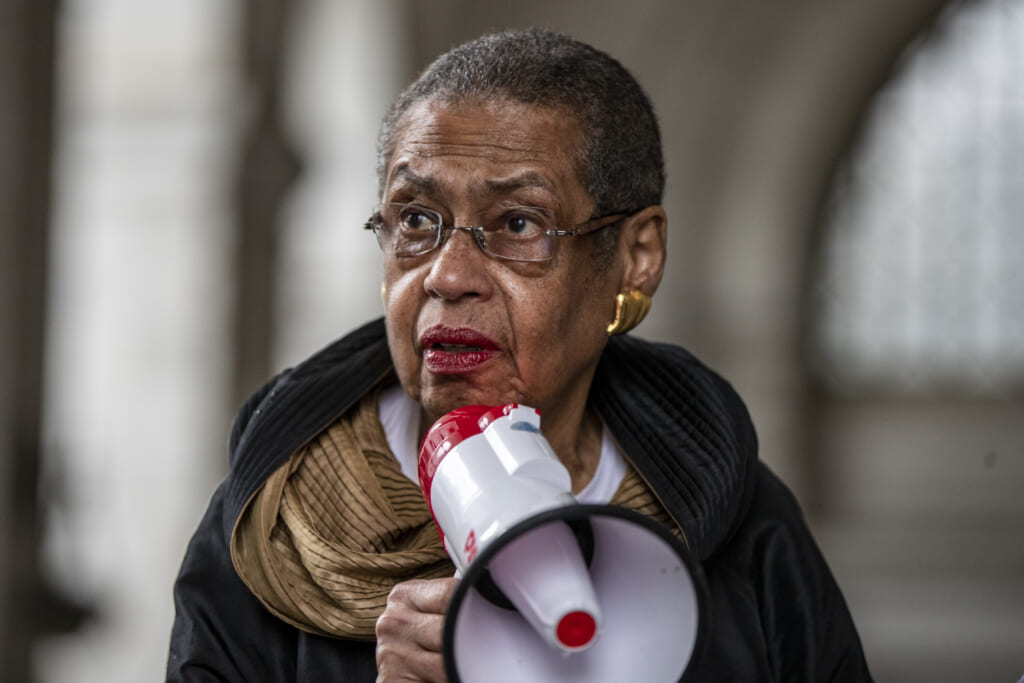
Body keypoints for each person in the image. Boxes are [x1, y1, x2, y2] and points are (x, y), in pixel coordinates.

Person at [167, 28, 872, 682]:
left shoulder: (747, 531)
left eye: (516, 223)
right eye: (414, 218)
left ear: (636, 256)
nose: (446, 275)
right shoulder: (272, 525)